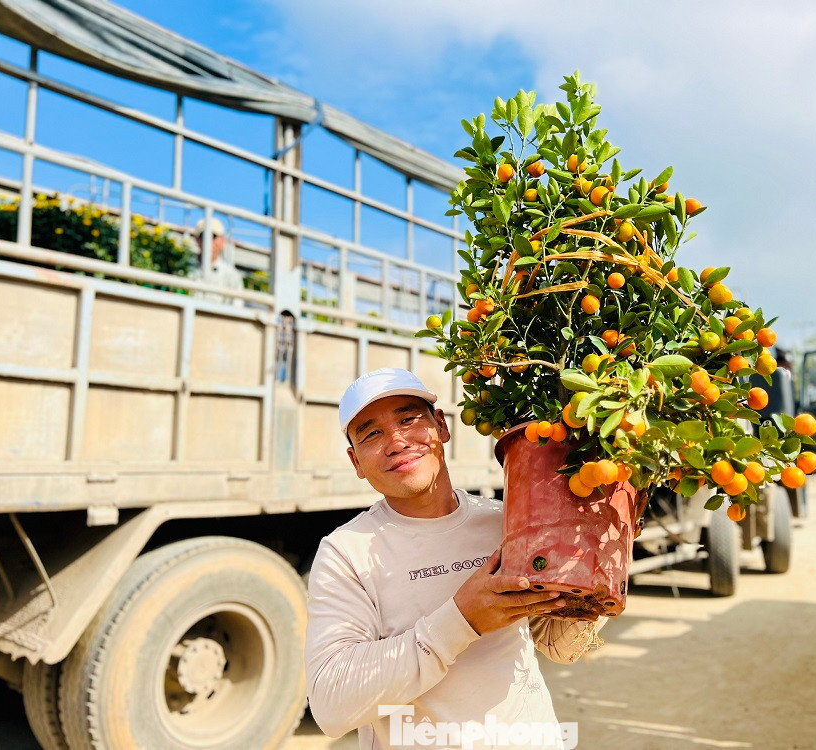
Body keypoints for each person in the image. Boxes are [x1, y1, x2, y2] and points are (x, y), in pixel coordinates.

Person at [305, 368, 603, 749]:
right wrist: (461, 621)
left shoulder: (506, 521)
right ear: (356, 462)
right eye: (372, 433)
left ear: (441, 427)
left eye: (408, 419)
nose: (396, 441)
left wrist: (594, 564)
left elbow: (557, 645)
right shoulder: (347, 552)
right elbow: (332, 706)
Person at [189, 216, 244, 307]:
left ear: (222, 241)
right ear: (197, 240)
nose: (208, 241)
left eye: (212, 236)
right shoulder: (183, 267)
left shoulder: (232, 276)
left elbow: (236, 309)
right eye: (204, 236)